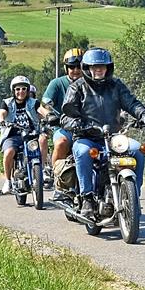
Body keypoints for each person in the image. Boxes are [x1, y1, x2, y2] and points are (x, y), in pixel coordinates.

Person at [60, 48, 145, 219]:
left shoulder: (116, 85)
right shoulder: (77, 87)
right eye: (94, 67)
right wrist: (78, 124)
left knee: (138, 151)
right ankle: (86, 197)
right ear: (87, 68)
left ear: (108, 68)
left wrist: (143, 114)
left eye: (102, 67)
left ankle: (133, 198)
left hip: (113, 138)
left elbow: (131, 103)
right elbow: (65, 117)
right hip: (87, 137)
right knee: (82, 152)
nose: (98, 70)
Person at [39, 48, 86, 199]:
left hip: (87, 128)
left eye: (80, 66)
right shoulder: (57, 83)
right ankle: (58, 182)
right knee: (61, 143)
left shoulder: (92, 83)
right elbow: (43, 105)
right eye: (72, 67)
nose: (76, 70)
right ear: (66, 68)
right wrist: (49, 114)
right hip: (63, 127)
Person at [0, 75, 41, 194]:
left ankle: (43, 170)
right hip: (12, 136)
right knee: (9, 152)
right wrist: (2, 120)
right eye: (17, 89)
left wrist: (48, 116)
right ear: (13, 91)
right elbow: (2, 113)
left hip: (31, 134)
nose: (20, 92)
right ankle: (8, 181)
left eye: (23, 89)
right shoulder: (7, 102)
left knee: (42, 141)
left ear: (27, 90)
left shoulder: (33, 102)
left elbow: (41, 110)